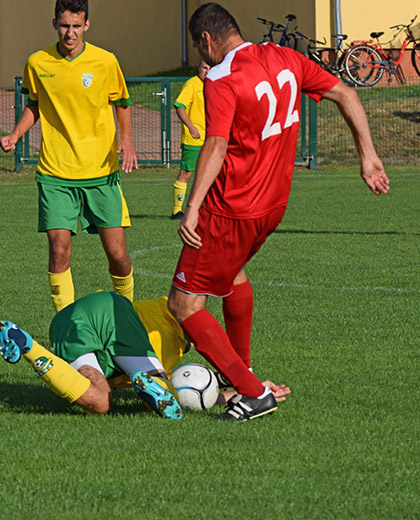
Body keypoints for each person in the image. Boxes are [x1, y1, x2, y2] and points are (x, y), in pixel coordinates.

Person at [167, 3, 390, 421]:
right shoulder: (285, 57)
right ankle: (241, 376)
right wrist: (368, 157)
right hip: (273, 206)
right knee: (233, 276)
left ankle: (252, 394)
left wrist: (192, 206)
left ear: (206, 40)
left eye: (201, 51)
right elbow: (347, 92)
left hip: (231, 207)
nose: (202, 61)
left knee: (184, 306)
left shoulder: (222, 77)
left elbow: (215, 145)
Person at [0, 0, 138, 312]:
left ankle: (127, 313)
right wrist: (15, 134)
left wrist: (127, 140)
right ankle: (67, 324)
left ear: (87, 25)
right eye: (64, 25)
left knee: (117, 253)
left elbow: (123, 102)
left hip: (101, 171)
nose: (70, 33)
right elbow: (35, 103)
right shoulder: (38, 63)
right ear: (54, 24)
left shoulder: (105, 61)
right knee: (59, 249)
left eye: (76, 26)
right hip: (55, 173)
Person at [0, 291, 290, 417]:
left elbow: (197, 389)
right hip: (117, 317)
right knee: (166, 400)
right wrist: (250, 386)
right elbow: (205, 339)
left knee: (99, 401)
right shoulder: (174, 311)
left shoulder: (171, 362)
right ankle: (159, 397)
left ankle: (27, 345)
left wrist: (242, 395)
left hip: (70, 324)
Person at [170, 60, 210, 219]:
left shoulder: (217, 83)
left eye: (210, 68)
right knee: (186, 173)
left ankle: (209, 210)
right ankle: (177, 210)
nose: (207, 71)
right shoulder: (192, 84)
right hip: (194, 139)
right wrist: (191, 127)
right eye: (204, 68)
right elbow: (180, 106)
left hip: (213, 139)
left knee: (214, 174)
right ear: (198, 68)